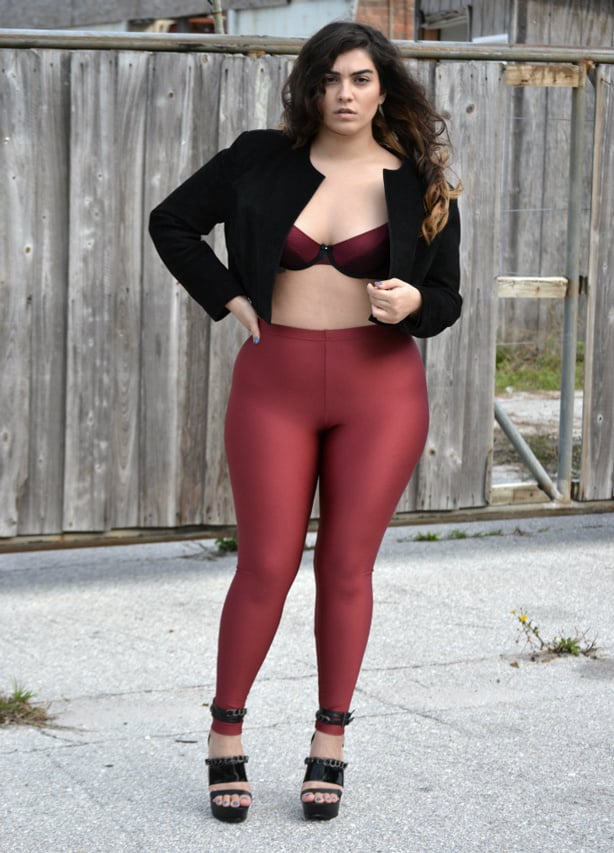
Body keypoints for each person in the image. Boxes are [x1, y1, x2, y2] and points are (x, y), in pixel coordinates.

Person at [149, 20, 462, 823]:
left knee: (347, 567)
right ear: (309, 87)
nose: (345, 94)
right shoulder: (260, 158)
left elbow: (450, 295)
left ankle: (331, 740)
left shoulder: (418, 179)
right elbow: (172, 222)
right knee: (265, 564)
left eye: (360, 78)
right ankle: (225, 733)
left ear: (382, 86)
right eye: (330, 80)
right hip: (274, 386)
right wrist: (228, 296)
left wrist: (417, 300)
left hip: (381, 392)